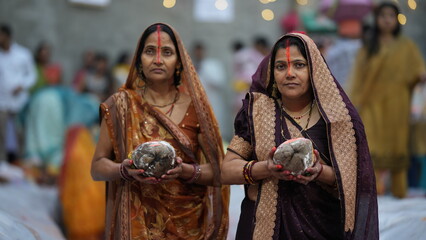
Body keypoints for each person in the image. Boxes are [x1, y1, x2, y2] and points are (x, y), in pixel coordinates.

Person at [221, 33, 378, 239]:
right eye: (280, 66)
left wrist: (319, 171)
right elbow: (226, 170)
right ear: (272, 72)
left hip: (323, 226)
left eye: (299, 65)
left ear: (314, 70)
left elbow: (356, 182)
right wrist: (265, 168)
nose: (289, 73)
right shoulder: (257, 113)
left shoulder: (338, 120)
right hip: (262, 227)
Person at [91, 23, 229, 239]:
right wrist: (123, 171)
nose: (157, 60)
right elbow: (97, 167)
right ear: (139, 61)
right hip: (137, 227)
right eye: (149, 51)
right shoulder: (121, 106)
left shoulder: (196, 109)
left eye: (167, 52)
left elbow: (220, 173)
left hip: (188, 225)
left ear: (179, 62)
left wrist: (186, 172)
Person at [348, 2, 426, 198]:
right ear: (377, 20)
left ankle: (400, 194)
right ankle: (373, 197)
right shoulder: (368, 47)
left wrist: (420, 75)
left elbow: (418, 70)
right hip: (372, 105)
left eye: (391, 16)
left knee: (398, 147)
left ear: (397, 20)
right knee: (371, 148)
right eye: (383, 16)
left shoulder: (407, 46)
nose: (387, 19)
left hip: (397, 105)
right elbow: (358, 77)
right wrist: (352, 103)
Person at [0, 24, 36, 164]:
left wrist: (22, 86)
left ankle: (19, 161)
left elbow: (32, 75)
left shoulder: (23, 54)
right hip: (2, 101)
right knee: (1, 132)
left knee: (20, 133)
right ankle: (2, 162)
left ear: (7, 36)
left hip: (20, 101)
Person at [192, 41, 228, 140]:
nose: (198, 53)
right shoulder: (190, 65)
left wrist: (204, 69)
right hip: (197, 102)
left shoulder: (212, 65)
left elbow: (219, 82)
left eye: (200, 51)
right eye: (196, 51)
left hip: (213, 100)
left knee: (215, 127)